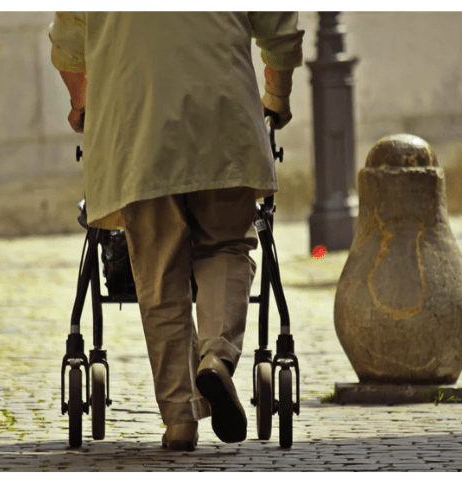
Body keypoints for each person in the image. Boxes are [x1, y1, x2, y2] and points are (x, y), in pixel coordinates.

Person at [49, 12, 303, 451]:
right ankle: (217, 355)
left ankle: (180, 418)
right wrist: (277, 96)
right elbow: (280, 30)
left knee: (159, 267)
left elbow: (69, 47)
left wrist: (82, 105)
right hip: (223, 118)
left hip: (137, 129)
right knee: (226, 244)